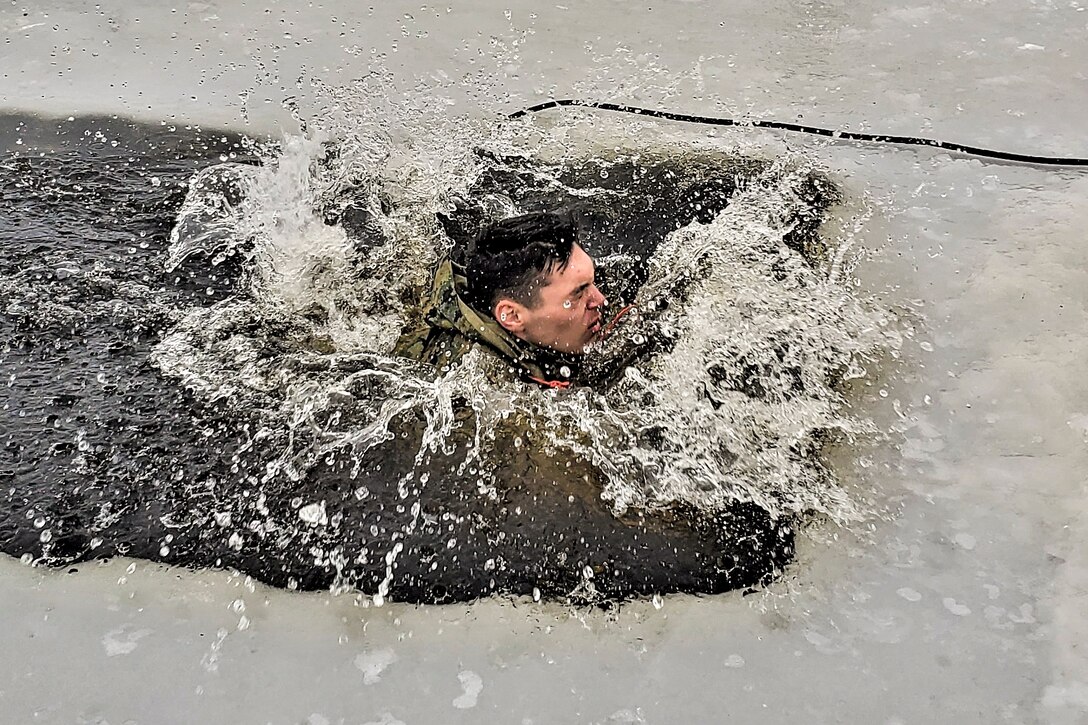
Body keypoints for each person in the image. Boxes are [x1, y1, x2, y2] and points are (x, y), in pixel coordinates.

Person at [393, 211, 611, 388]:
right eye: (578, 294)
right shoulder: (479, 386)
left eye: (592, 283)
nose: (600, 300)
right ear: (512, 316)